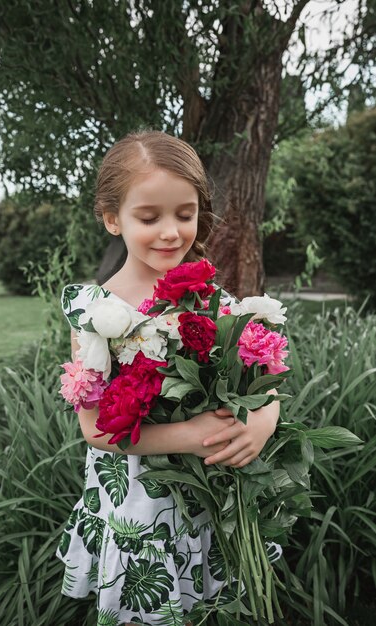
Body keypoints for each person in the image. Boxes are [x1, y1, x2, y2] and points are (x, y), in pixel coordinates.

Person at [57, 130, 281, 626]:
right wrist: (191, 435)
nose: (170, 232)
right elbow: (95, 430)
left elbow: (260, 382)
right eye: (148, 217)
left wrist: (264, 419)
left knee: (210, 606)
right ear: (112, 218)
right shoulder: (96, 314)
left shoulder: (206, 295)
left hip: (208, 498)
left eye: (185, 214)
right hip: (141, 503)